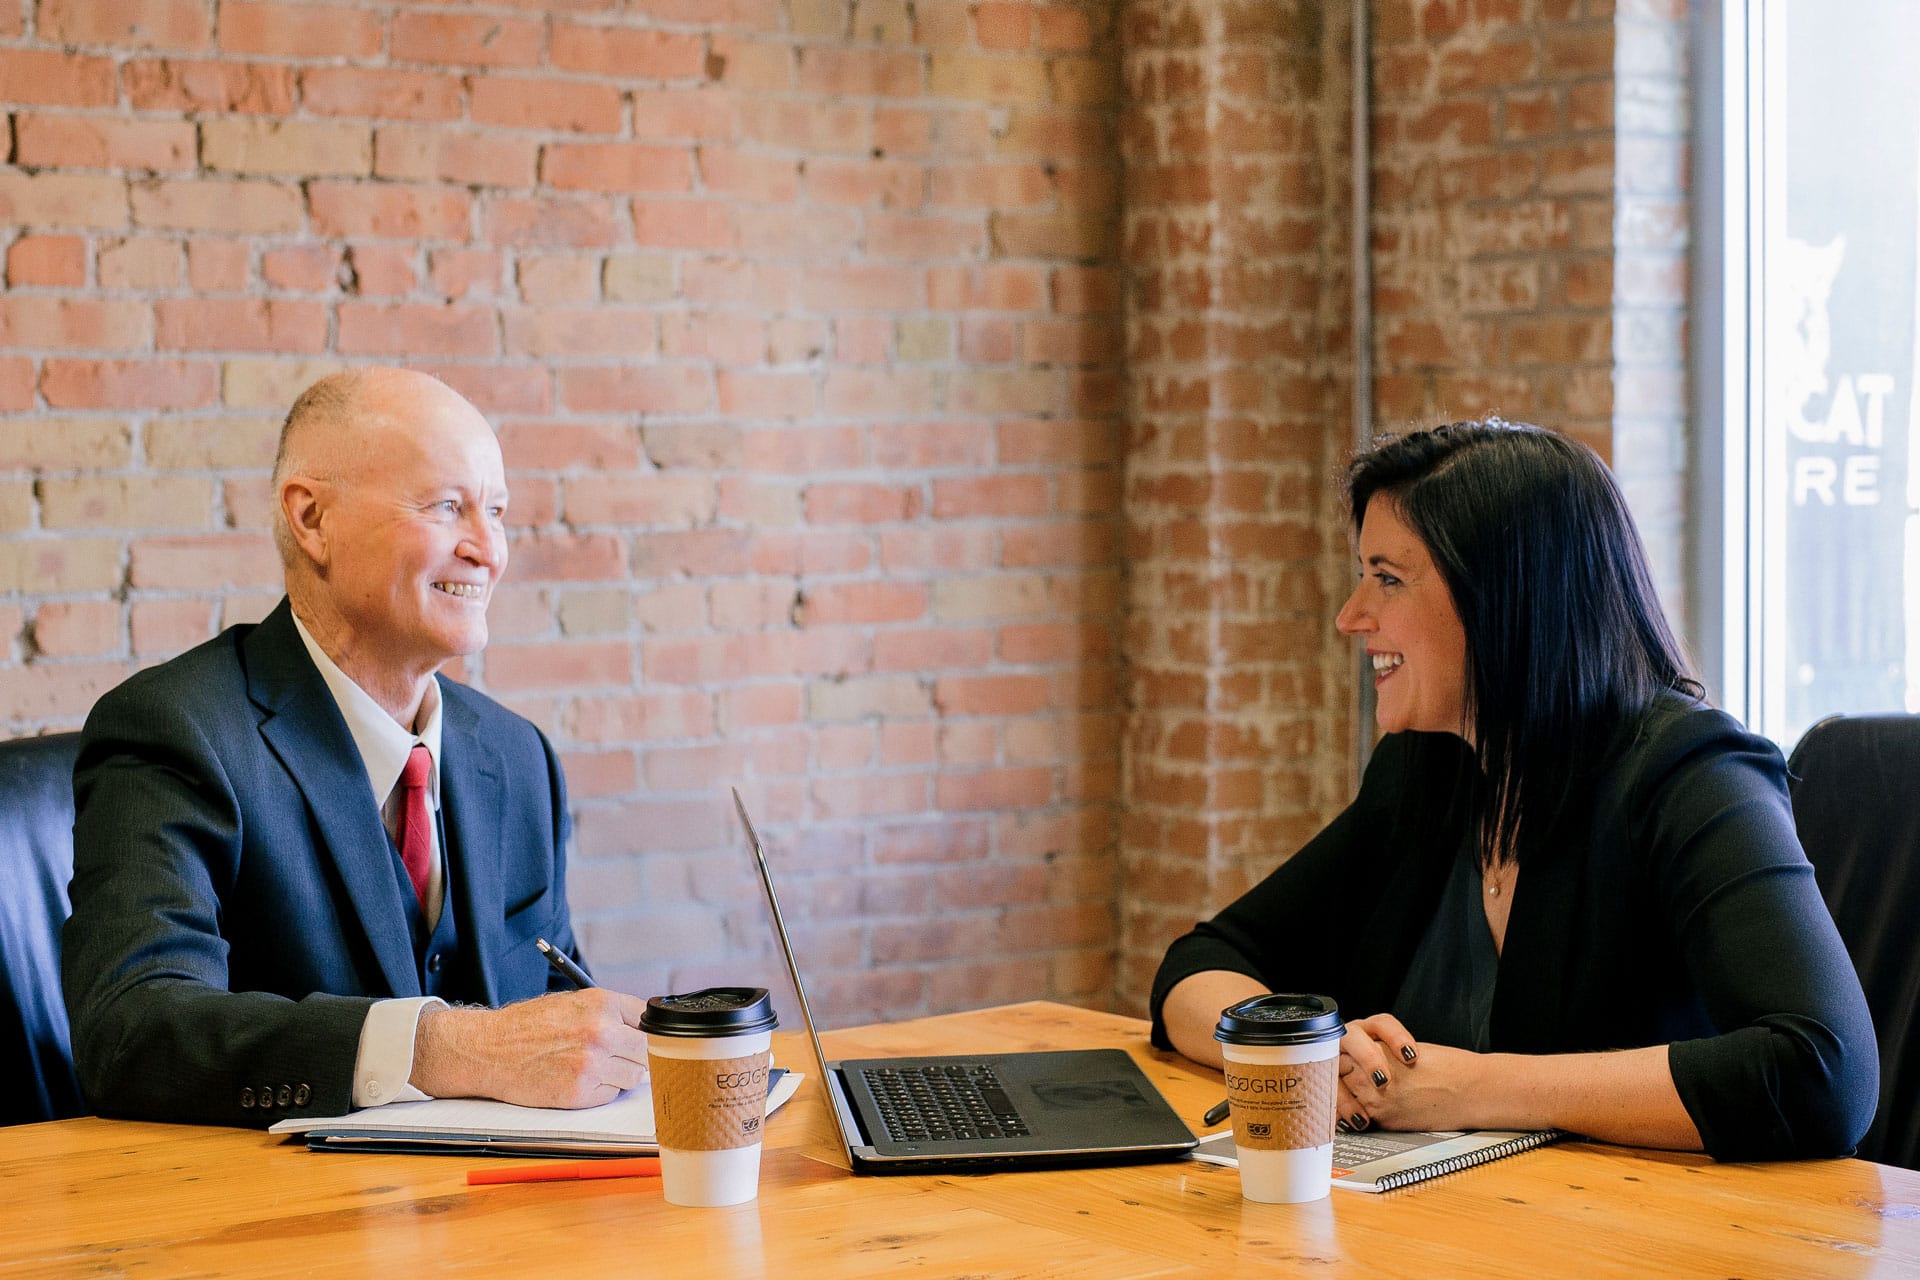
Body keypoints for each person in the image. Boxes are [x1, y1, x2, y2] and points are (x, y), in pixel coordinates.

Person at [1151, 420, 1877, 1161]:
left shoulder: (1693, 774)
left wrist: (1472, 1089)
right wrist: (1312, 1058)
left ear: (1504, 598)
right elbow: (1202, 962)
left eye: (1388, 578)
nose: (1351, 615)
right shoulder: (1429, 770)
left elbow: (1823, 1073)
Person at [64, 368, 649, 1127]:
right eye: (447, 507)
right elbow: (131, 1034)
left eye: (497, 512)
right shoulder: (176, 729)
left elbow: (550, 1021)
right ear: (312, 519)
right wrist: (440, 1047)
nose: (489, 550)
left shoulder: (517, 755)